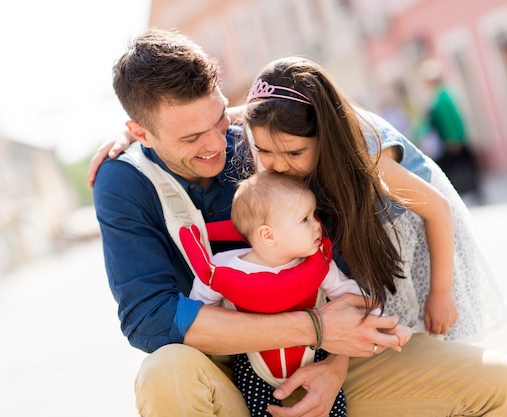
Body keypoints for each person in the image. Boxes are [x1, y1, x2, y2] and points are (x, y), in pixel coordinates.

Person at [91, 28, 507, 417]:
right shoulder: (125, 180)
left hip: (326, 360)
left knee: (499, 384)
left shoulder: (270, 144)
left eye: (219, 119)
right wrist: (314, 328)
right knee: (165, 371)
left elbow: (344, 265)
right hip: (227, 372)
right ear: (141, 133)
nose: (218, 145)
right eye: (190, 138)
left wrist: (334, 365)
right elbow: (151, 318)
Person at [242, 56, 507, 344]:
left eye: (294, 154)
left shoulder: (368, 156)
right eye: (264, 151)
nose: (278, 165)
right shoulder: (276, 129)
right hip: (376, 251)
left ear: (325, 134)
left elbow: (438, 209)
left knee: (439, 339)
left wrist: (440, 294)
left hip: (426, 246)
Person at [187, 169, 412, 417]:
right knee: (259, 410)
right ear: (268, 235)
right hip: (253, 362)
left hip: (314, 355)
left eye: (313, 215)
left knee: (335, 409)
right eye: (305, 219)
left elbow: (350, 296)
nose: (317, 225)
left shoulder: (318, 265)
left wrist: (383, 324)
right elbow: (200, 313)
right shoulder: (223, 268)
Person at [417, 58, 482, 199]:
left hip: (452, 140)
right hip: (449, 139)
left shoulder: (442, 96)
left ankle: (471, 192)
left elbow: (449, 120)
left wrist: (452, 138)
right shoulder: (439, 95)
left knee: (461, 167)